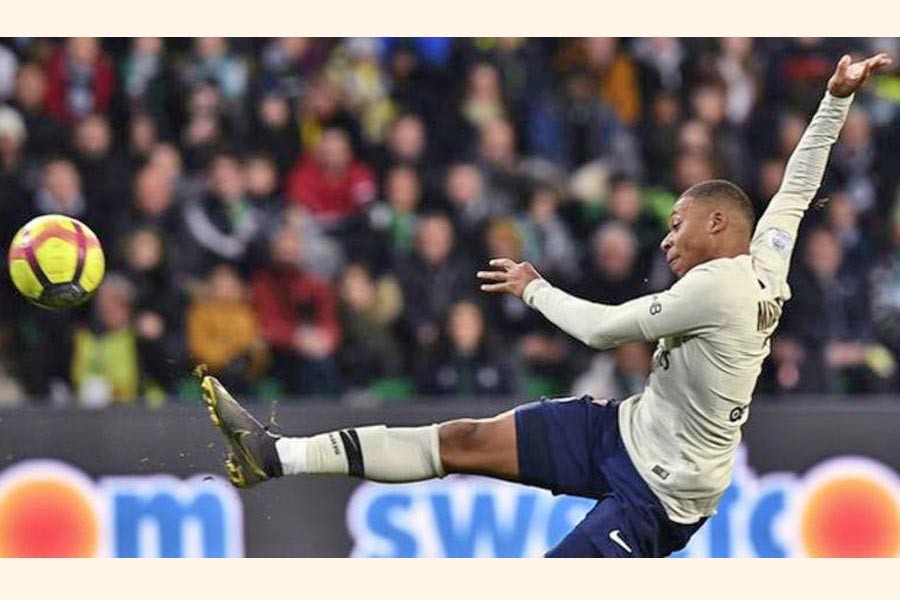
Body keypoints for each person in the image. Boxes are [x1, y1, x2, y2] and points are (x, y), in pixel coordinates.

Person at [200, 53, 890, 557]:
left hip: (659, 498)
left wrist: (534, 286)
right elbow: (797, 190)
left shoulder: (717, 288)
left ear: (717, 227)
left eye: (677, 223)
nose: (666, 236)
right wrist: (835, 98)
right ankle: (276, 456)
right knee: (464, 440)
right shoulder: (765, 260)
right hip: (622, 431)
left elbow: (601, 330)